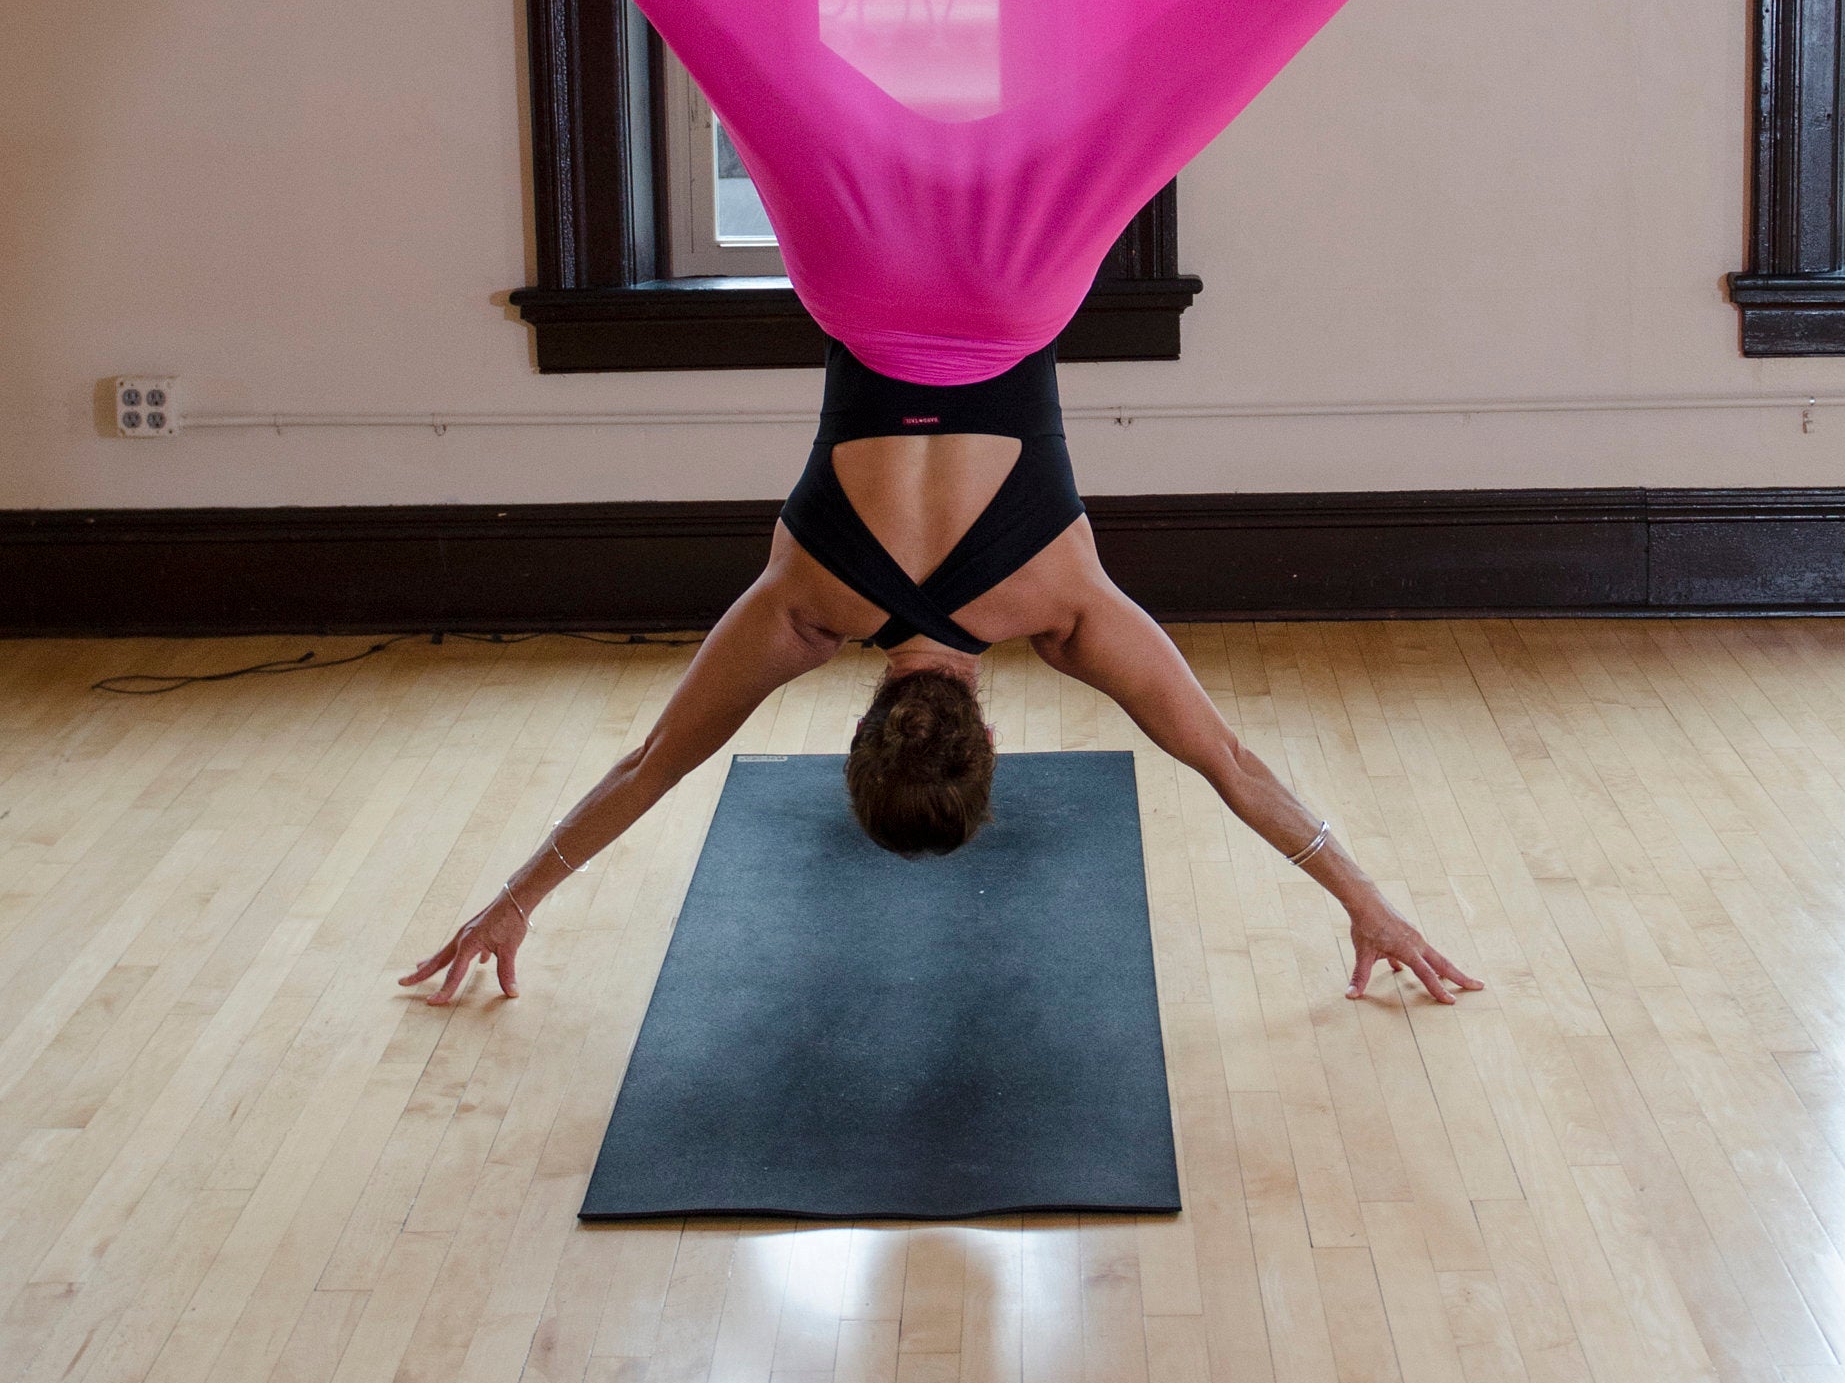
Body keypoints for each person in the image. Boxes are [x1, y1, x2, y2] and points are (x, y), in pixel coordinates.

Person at [402, 339, 1482, 1012]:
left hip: (1017, 285)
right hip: (860, 284)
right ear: (858, 731)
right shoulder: (805, 605)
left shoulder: (1060, 608)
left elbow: (1232, 764)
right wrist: (508, 902)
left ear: (994, 743)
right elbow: (646, 768)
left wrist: (1370, 906)